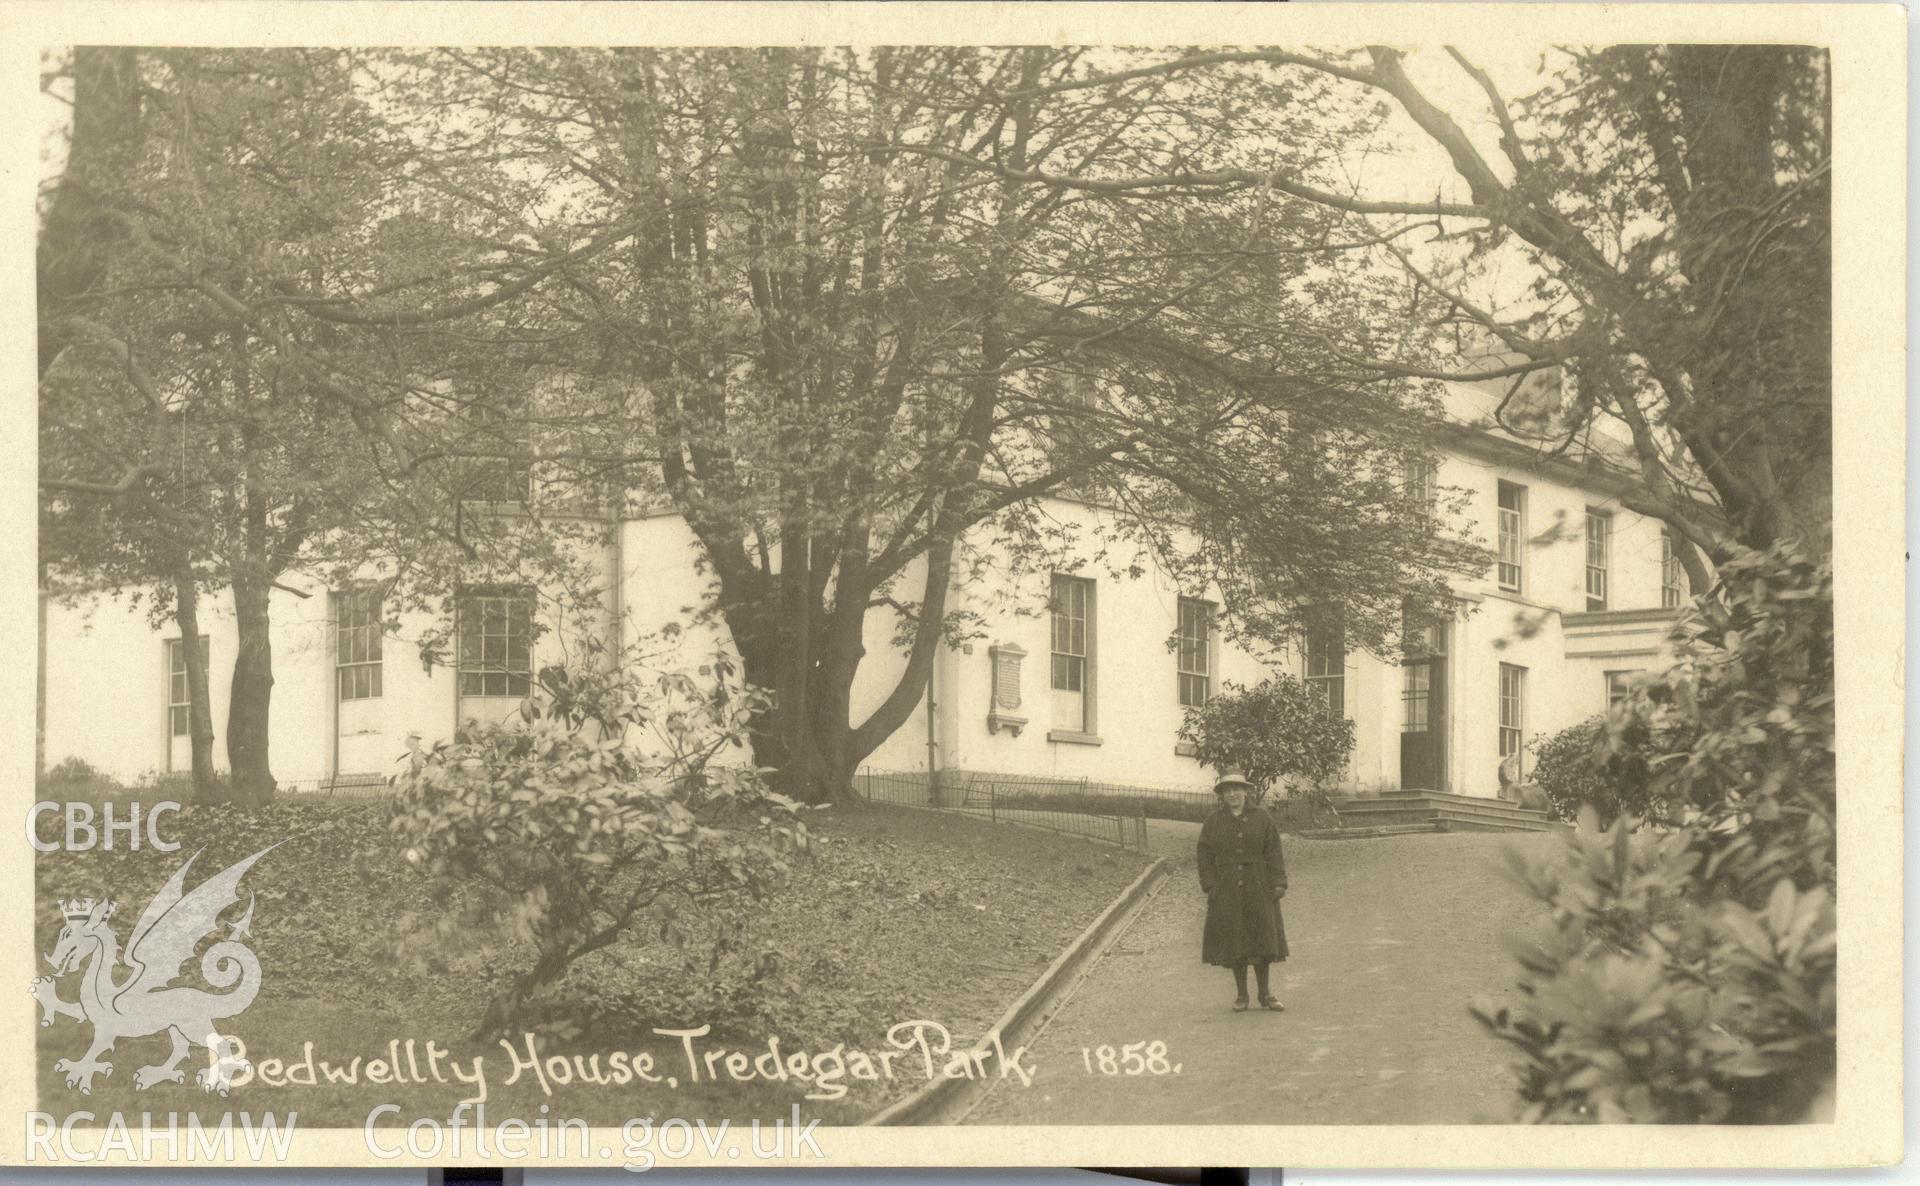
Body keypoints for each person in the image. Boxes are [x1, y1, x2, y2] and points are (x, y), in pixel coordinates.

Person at [1196, 769, 1289, 1012]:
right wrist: (1211, 885)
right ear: (1222, 795)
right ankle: (1242, 995)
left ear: (1246, 791)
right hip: (1227, 887)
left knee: (1262, 940)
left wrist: (1278, 882)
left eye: (1237, 788)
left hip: (1259, 885)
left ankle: (1265, 994)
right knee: (1235, 940)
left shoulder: (1263, 818)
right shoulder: (1214, 822)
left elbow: (1274, 852)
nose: (1233, 794)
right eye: (1227, 790)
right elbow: (1204, 855)